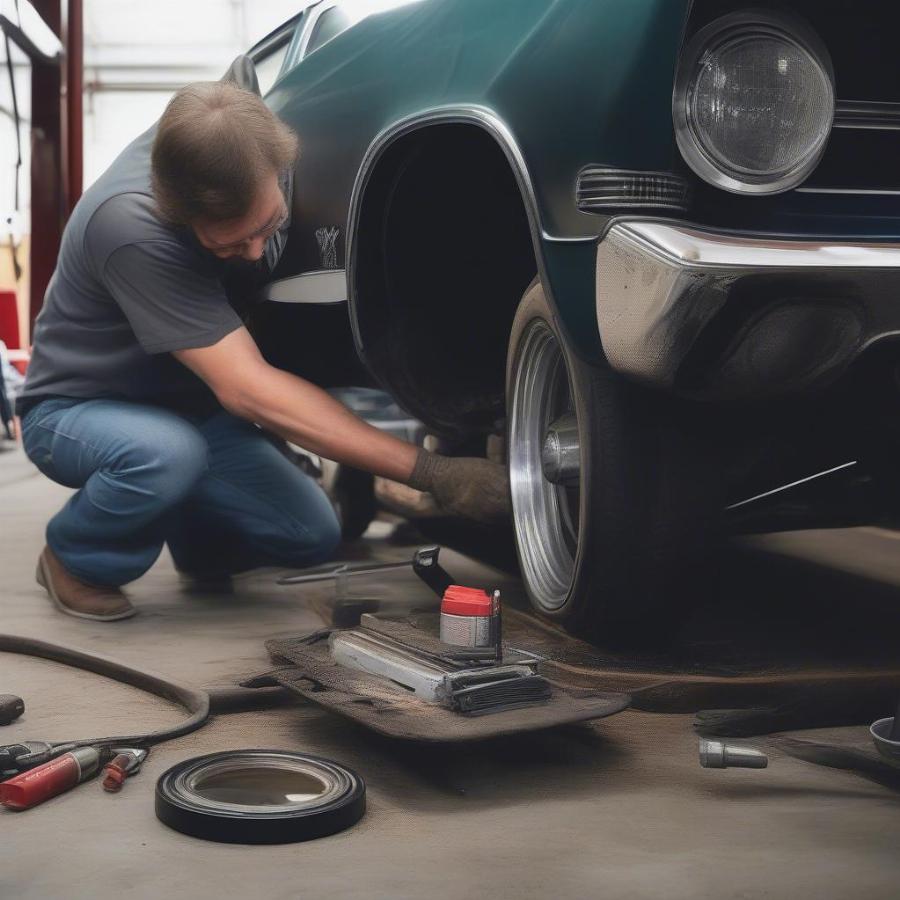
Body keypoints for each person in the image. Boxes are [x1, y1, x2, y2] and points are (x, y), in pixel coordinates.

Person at [16, 67, 509, 622]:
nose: (255, 254)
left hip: (190, 410)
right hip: (81, 410)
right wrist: (432, 473)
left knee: (310, 533)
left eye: (267, 226)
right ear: (179, 214)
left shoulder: (256, 147)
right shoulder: (130, 224)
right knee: (166, 455)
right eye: (230, 241)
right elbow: (248, 389)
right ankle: (76, 556)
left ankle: (200, 546)